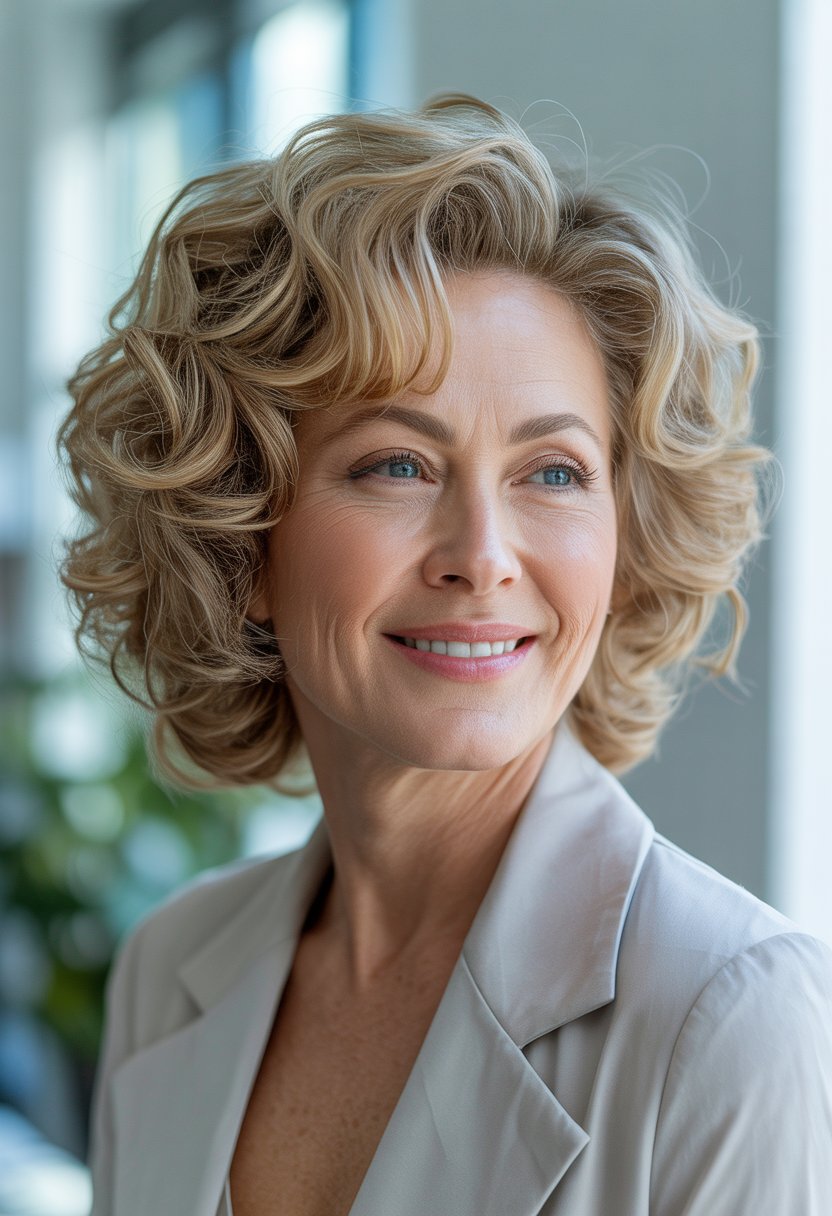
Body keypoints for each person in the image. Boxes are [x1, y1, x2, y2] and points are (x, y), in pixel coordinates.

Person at [58, 94, 832, 1216]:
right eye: (396, 466)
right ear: (243, 542)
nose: (482, 555)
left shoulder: (730, 1014)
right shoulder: (170, 971)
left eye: (554, 472)